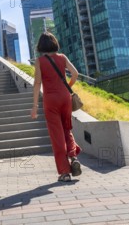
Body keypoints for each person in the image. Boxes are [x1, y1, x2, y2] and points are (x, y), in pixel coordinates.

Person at [31, 32, 82, 182]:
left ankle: (64, 172)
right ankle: (72, 156)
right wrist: (67, 87)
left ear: (40, 46)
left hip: (50, 100)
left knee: (56, 135)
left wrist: (34, 106)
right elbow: (75, 73)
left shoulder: (40, 61)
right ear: (54, 43)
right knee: (67, 129)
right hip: (65, 98)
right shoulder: (63, 57)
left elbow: (37, 83)